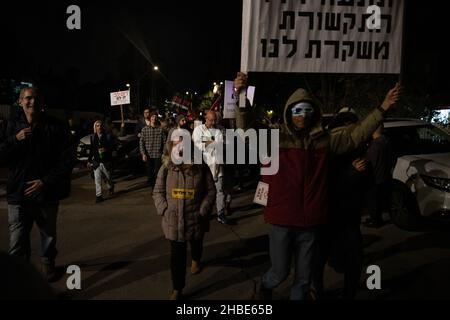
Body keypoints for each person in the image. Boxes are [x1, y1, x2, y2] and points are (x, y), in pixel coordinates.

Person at [234, 72, 401, 300]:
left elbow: (357, 135)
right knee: (280, 272)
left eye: (307, 109)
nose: (302, 115)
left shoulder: (324, 141)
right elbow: (245, 131)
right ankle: (265, 285)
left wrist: (383, 107)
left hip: (311, 222)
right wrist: (241, 94)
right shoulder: (275, 138)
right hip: (281, 220)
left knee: (303, 280)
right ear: (289, 111)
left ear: (314, 112)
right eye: (297, 110)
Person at [0, 87, 77, 281]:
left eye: (36, 98)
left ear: (43, 102)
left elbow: (68, 159)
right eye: (28, 98)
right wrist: (14, 140)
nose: (32, 101)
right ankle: (18, 273)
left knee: (48, 234)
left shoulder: (56, 126)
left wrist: (45, 182)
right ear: (20, 101)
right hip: (18, 194)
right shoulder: (9, 126)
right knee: (17, 239)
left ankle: (47, 264)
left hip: (47, 193)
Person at [313, 110, 373, 300]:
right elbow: (324, 185)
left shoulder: (360, 151)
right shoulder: (327, 152)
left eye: (354, 128)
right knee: (319, 256)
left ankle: (349, 294)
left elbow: (368, 184)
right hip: (327, 215)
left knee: (355, 258)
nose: (351, 132)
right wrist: (351, 173)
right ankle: (317, 290)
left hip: (350, 217)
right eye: (347, 127)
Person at [153, 139, 216, 300]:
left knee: (196, 243)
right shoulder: (166, 168)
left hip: (195, 219)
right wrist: (164, 209)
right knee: (177, 257)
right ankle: (177, 288)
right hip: (173, 221)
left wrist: (202, 211)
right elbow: (158, 191)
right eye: (175, 144)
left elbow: (210, 191)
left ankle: (196, 258)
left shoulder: (200, 166)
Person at [192, 110, 233, 225]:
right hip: (204, 166)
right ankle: (202, 213)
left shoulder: (218, 130)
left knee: (219, 191)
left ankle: (220, 213)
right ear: (206, 119)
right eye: (211, 120)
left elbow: (219, 145)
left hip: (217, 164)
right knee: (203, 191)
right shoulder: (198, 130)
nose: (213, 122)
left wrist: (207, 142)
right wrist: (211, 142)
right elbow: (197, 145)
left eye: (215, 120)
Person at [364, 123, 395, 228]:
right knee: (378, 200)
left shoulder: (375, 145)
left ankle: (375, 221)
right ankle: (376, 218)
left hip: (375, 177)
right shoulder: (386, 141)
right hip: (384, 175)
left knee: (373, 201)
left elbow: (370, 162)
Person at [88, 120, 116, 203]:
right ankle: (98, 196)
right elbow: (92, 150)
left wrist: (106, 149)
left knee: (108, 178)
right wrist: (89, 161)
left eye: (100, 125)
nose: (99, 127)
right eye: (97, 125)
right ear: (95, 127)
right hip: (96, 162)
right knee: (97, 180)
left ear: (102, 127)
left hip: (106, 161)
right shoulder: (93, 137)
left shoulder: (108, 136)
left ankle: (111, 187)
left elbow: (113, 147)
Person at [139, 111, 166, 188]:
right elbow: (141, 143)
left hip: (158, 155)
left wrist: (163, 153)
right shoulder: (144, 129)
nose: (154, 118)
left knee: (157, 173)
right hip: (148, 155)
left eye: (155, 116)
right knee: (150, 173)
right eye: (152, 116)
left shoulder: (160, 130)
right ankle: (153, 188)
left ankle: (156, 188)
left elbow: (164, 142)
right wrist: (143, 154)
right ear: (150, 118)